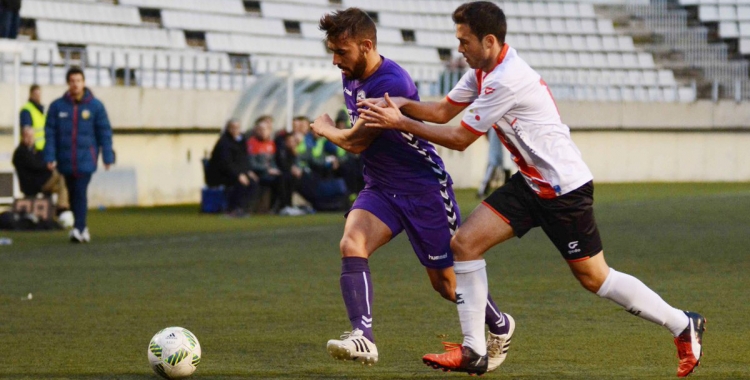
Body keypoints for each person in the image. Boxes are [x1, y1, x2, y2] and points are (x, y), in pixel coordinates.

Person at [357, 2, 705, 377]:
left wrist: (399, 123)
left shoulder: (507, 78)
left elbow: (458, 138)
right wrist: (399, 106)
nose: (459, 48)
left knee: (594, 277)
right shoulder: (482, 70)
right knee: (464, 244)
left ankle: (682, 323)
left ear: (488, 41)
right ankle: (474, 350)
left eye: (464, 41)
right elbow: (442, 111)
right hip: (530, 184)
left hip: (565, 191)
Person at [311, 8, 514, 370]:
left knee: (447, 285)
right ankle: (363, 337)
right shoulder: (351, 74)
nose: (335, 60)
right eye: (333, 52)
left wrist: (326, 127)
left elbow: (356, 142)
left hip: (423, 189)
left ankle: (500, 324)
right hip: (381, 187)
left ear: (366, 45)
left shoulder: (392, 82)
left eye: (341, 52)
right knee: (351, 243)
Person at [44, 66, 114, 243]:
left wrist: (107, 156)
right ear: (68, 83)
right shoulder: (57, 106)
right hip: (65, 160)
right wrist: (50, 156)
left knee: (80, 191)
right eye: (72, 81)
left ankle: (79, 228)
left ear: (84, 83)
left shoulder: (96, 106)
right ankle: (82, 228)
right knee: (73, 193)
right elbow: (50, 133)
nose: (75, 84)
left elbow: (104, 132)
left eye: (79, 81)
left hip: (86, 159)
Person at [205, 119, 258, 217]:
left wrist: (248, 171)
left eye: (237, 128)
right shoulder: (224, 142)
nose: (235, 130)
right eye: (232, 128)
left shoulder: (242, 140)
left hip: (237, 171)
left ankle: (244, 208)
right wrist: (238, 175)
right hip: (221, 173)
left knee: (253, 182)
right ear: (228, 129)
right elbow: (226, 163)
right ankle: (233, 209)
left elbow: (244, 158)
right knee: (239, 183)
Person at [12, 126, 69, 212]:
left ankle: (62, 208)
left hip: (43, 181)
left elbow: (41, 162)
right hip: (34, 184)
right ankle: (61, 209)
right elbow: (35, 165)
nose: (30, 139)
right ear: (23, 137)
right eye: (28, 136)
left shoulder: (35, 150)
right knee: (61, 173)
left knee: (65, 183)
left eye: (32, 136)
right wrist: (48, 166)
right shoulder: (21, 152)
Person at [246, 115, 283, 212]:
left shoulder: (271, 143)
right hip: (258, 173)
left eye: (266, 129)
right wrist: (267, 169)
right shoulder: (252, 143)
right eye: (261, 130)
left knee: (283, 178)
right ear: (256, 131)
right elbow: (252, 164)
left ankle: (276, 207)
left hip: (269, 172)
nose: (263, 132)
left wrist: (275, 169)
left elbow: (273, 161)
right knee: (277, 181)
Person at [477, 131, 510, 198]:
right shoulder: (494, 128)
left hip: (504, 148)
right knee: (492, 166)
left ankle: (507, 190)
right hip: (495, 148)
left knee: (506, 167)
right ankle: (483, 190)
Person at [20, 84, 45, 151]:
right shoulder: (27, 110)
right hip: (33, 149)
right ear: (31, 94)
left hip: (42, 148)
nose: (38, 96)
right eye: (35, 94)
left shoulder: (40, 110)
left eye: (39, 94)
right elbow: (27, 132)